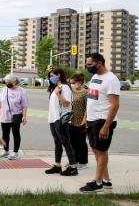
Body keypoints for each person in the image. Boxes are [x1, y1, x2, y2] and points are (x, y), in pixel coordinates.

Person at [80, 53, 120, 193]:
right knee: (96, 149)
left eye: (89, 64)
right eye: (87, 64)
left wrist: (106, 126)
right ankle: (106, 181)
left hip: (103, 120)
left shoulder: (111, 79)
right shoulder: (95, 77)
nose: (87, 67)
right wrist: (86, 117)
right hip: (92, 119)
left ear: (99, 63)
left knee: (101, 151)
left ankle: (97, 183)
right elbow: (91, 99)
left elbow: (114, 105)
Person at [44, 68, 78, 176]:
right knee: (57, 143)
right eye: (49, 76)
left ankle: (73, 168)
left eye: (52, 75)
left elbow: (67, 104)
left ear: (59, 75)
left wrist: (58, 94)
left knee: (66, 143)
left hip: (62, 119)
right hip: (53, 119)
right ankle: (57, 165)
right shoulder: (56, 88)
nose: (50, 78)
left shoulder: (65, 87)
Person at [0, 74, 29, 160]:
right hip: (4, 115)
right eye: (5, 82)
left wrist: (24, 116)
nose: (6, 83)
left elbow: (24, 105)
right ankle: (6, 151)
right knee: (5, 134)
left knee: (16, 134)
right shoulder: (4, 90)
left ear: (14, 81)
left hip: (16, 115)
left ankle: (15, 152)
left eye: (8, 82)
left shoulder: (22, 91)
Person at [68, 73, 89, 170]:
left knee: (81, 143)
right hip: (71, 121)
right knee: (72, 142)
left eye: (74, 82)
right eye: (71, 82)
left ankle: (83, 162)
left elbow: (88, 108)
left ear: (80, 82)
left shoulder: (85, 93)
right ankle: (74, 160)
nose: (72, 84)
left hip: (81, 121)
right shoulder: (71, 91)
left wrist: (84, 120)